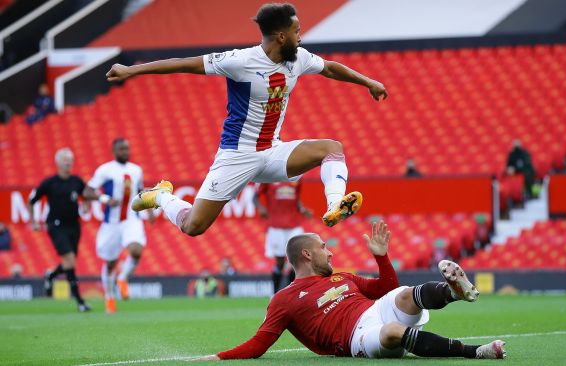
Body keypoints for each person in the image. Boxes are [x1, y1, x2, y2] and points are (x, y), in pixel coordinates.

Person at [106, 3, 388, 238]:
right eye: (296, 31)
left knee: (332, 148)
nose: (300, 37)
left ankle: (334, 204)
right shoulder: (240, 61)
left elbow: (330, 68)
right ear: (280, 36)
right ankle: (160, 196)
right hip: (237, 156)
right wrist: (131, 71)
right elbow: (184, 63)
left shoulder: (297, 57)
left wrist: (368, 82)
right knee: (193, 226)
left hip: (272, 152)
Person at [198, 221, 505, 360]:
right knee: (392, 331)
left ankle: (454, 292)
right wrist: (220, 357)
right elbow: (260, 343)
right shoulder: (284, 299)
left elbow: (387, 288)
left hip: (372, 310)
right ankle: (473, 352)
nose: (330, 252)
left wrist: (381, 256)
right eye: (323, 247)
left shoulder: (343, 278)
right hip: (354, 337)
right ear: (306, 255)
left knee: (405, 294)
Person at [83, 138, 154, 314]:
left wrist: (150, 210)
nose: (125, 152)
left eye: (127, 149)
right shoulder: (105, 170)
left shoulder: (136, 170)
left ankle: (122, 279)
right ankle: (109, 297)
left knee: (136, 251)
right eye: (122, 149)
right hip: (111, 224)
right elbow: (87, 191)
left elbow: (140, 191)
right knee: (110, 264)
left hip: (132, 219)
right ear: (114, 151)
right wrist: (105, 199)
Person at [27, 148, 91, 312]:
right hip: (56, 225)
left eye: (70, 159)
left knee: (69, 262)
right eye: (64, 159)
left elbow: (87, 196)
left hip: (74, 225)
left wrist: (85, 205)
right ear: (57, 162)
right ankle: (80, 301)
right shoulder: (49, 183)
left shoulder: (76, 181)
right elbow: (31, 201)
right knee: (70, 260)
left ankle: (51, 276)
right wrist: (33, 221)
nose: (68, 162)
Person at [253, 180, 312, 293]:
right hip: (276, 227)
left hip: (294, 226)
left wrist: (302, 209)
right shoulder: (269, 177)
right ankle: (275, 294)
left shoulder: (297, 177)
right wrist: (261, 208)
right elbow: (254, 197)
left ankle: (292, 293)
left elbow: (296, 199)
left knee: (297, 261)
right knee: (280, 263)